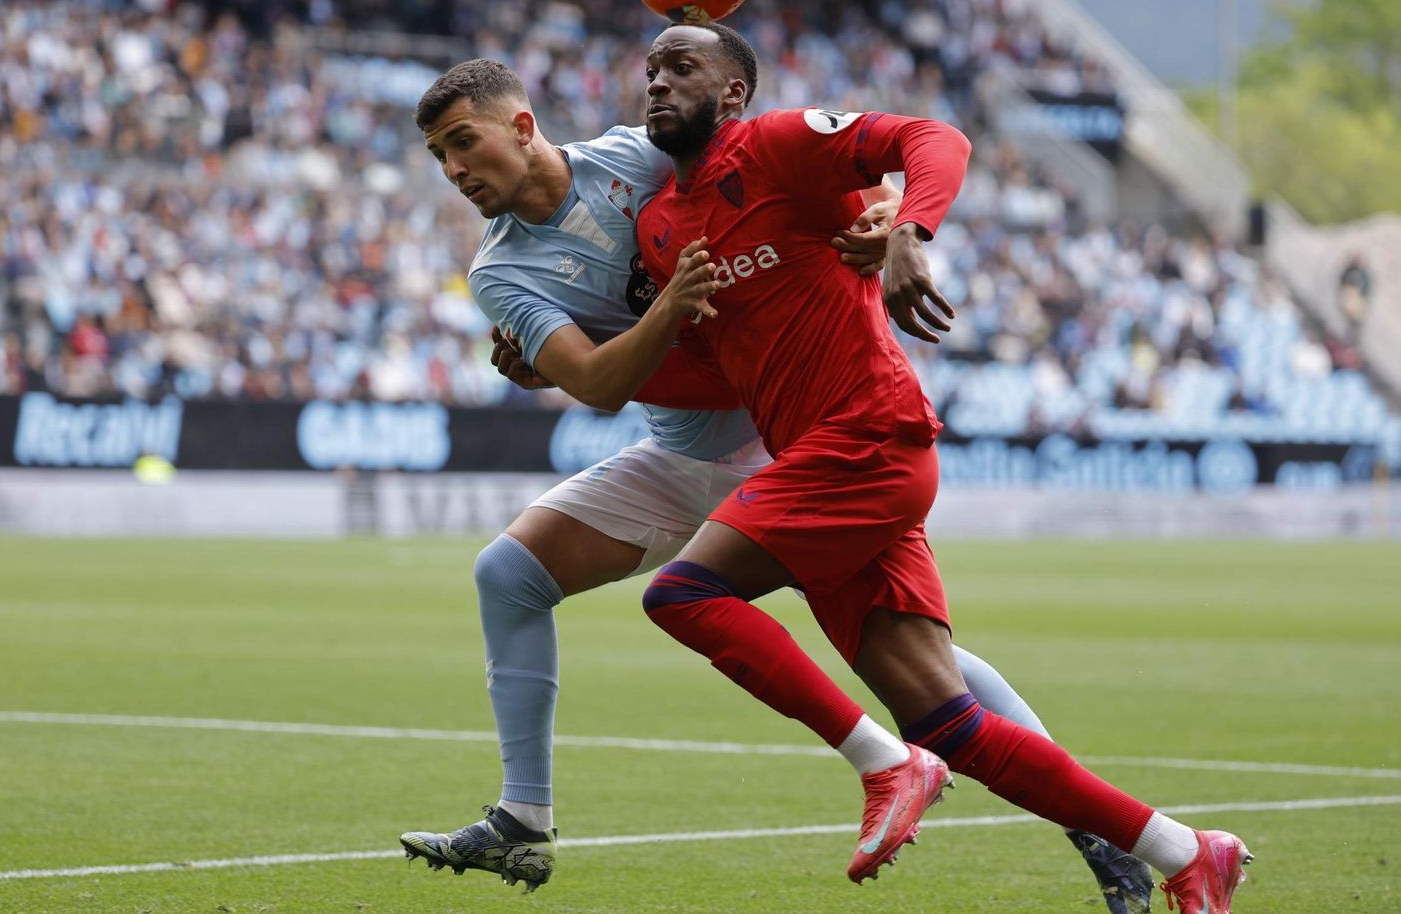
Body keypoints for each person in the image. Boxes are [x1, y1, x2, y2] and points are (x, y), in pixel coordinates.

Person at [398, 58, 1153, 910]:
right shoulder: (500, 271)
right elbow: (603, 383)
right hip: (676, 454)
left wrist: (882, 214)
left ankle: (1093, 827)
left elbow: (788, 190)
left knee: (917, 663)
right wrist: (638, 326)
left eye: (464, 142)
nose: (456, 170)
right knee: (506, 573)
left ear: (524, 127)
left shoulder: (636, 158)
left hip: (786, 441)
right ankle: (525, 820)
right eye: (440, 156)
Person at [627, 21, 1251, 912]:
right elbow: (712, 369)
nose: (657, 83)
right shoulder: (661, 227)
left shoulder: (775, 145)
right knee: (953, 722)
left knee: (680, 595)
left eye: (681, 67)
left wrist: (909, 231)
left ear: (732, 93)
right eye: (650, 70)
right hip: (825, 461)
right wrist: (573, 363)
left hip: (867, 434)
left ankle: (882, 767)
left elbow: (936, 138)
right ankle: (1187, 852)